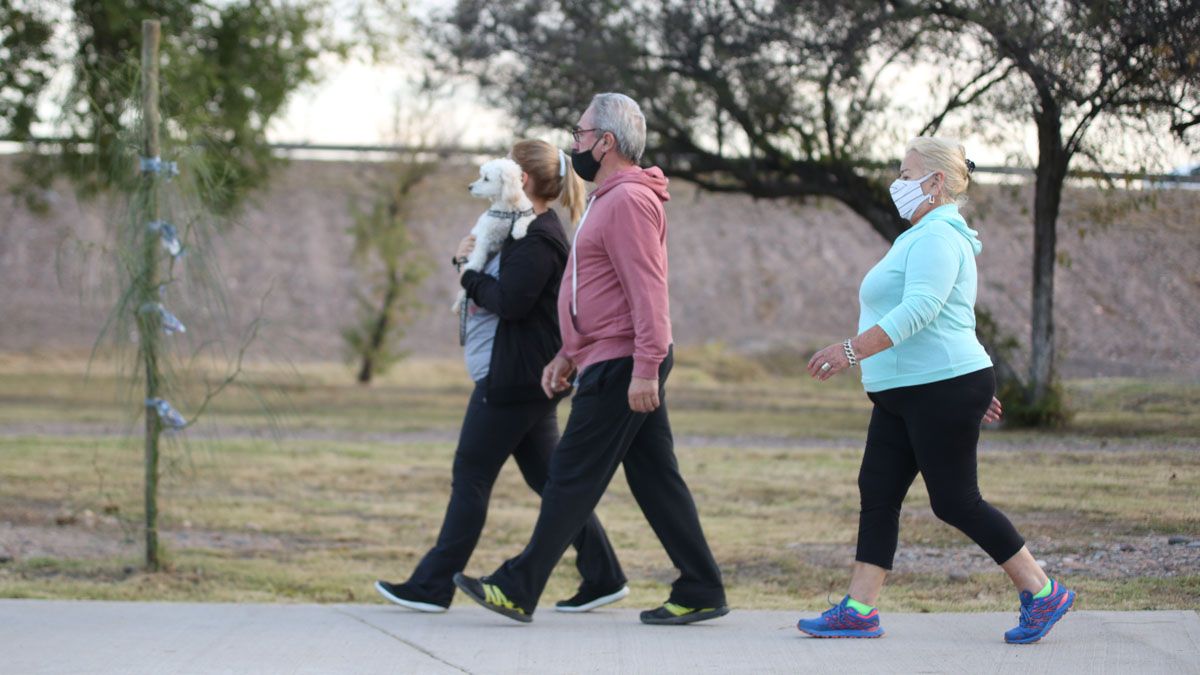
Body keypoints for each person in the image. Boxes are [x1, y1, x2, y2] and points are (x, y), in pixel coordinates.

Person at [453, 93, 728, 625]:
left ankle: (517, 585)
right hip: (609, 356)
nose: (573, 144)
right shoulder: (612, 198)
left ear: (605, 142)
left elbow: (648, 290)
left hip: (626, 362)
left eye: (580, 135)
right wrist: (569, 353)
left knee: (571, 477)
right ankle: (701, 587)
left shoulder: (626, 201)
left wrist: (646, 366)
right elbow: (597, 291)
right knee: (654, 478)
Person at [796, 137, 1075, 644]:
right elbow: (950, 317)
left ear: (936, 181)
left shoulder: (938, 237)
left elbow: (922, 309)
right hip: (910, 391)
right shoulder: (917, 237)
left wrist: (850, 351)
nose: (897, 184)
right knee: (877, 491)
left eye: (906, 174)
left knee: (955, 501)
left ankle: (1042, 590)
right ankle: (860, 608)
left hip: (937, 387)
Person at [374, 139, 629, 614]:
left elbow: (511, 301)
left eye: (508, 169)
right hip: (525, 375)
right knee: (552, 480)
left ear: (524, 180)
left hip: (513, 378)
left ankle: (431, 585)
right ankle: (604, 575)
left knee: (470, 474)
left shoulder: (539, 238)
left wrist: (465, 274)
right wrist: (466, 265)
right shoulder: (526, 230)